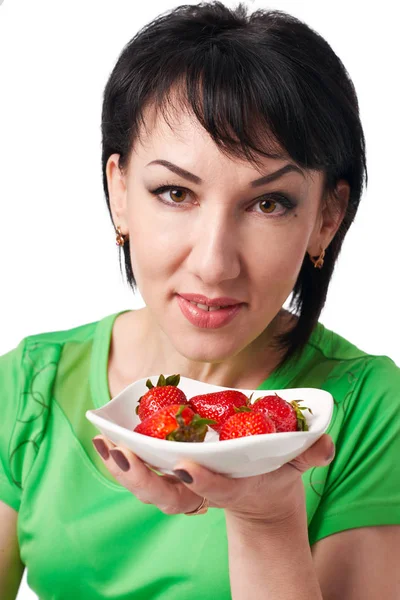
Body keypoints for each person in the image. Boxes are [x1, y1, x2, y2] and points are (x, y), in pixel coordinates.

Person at [1, 2, 399, 599]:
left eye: (268, 204)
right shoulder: (28, 382)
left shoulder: (370, 411)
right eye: (174, 192)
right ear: (120, 193)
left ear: (326, 218)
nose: (214, 263)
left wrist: (266, 517)